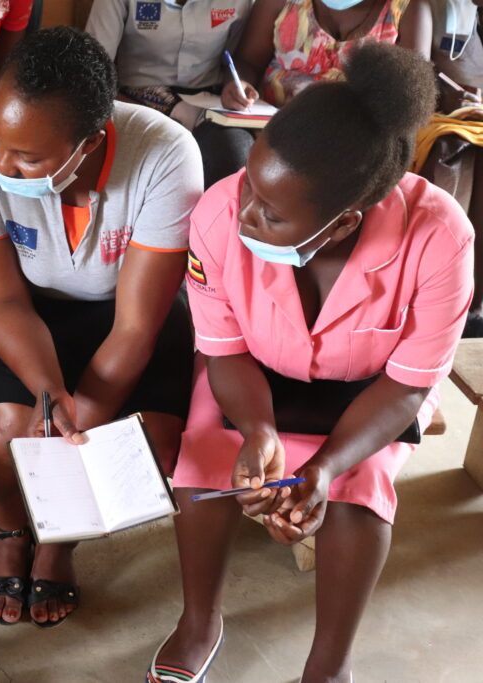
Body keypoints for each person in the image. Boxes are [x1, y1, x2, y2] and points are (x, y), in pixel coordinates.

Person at [151, 44, 470, 683]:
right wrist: (259, 432)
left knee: (358, 495)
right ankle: (198, 622)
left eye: (270, 214)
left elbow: (407, 386)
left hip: (373, 391)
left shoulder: (440, 237)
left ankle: (329, 666)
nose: (245, 214)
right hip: (252, 373)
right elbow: (223, 349)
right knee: (204, 466)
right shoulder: (218, 213)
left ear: (342, 222)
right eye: (250, 187)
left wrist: (323, 469)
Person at [0, 27, 202, 629]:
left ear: (89, 143)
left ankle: (60, 539)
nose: (1, 164)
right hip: (25, 309)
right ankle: (10, 524)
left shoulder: (166, 154)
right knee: (6, 432)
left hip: (128, 311)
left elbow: (138, 323)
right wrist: (48, 390)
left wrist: (86, 410)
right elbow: (1, 298)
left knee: (139, 444)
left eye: (27, 157)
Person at [85, 0, 257, 186]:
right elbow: (93, 71)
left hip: (209, 103)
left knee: (234, 152)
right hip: (135, 98)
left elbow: (236, 59)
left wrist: (235, 84)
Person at [220, 0, 431, 110]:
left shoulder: (408, 8)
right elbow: (248, 61)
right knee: (226, 144)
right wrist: (238, 86)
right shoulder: (281, 2)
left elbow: (412, 96)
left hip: (355, 139)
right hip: (270, 128)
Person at [416, 0, 483, 334]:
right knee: (452, 147)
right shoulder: (431, 7)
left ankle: (474, 307)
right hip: (449, 119)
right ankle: (443, 294)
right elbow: (420, 73)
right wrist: (446, 94)